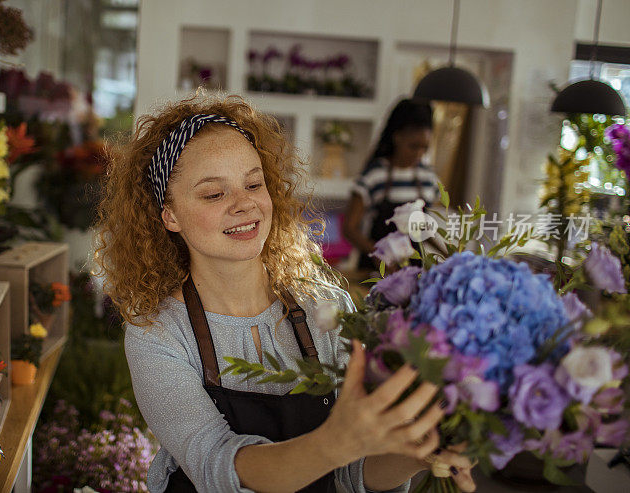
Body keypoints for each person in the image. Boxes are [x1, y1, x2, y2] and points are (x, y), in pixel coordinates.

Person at [94, 93, 475, 492]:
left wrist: (419, 451)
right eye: (213, 193)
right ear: (169, 215)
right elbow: (215, 468)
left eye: (253, 183)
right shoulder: (158, 335)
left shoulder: (327, 309)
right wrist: (335, 443)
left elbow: (351, 474)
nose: (245, 204)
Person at [343, 99, 440, 272]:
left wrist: (449, 256)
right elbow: (349, 228)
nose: (419, 154)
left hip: (412, 270)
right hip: (376, 269)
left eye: (424, 148)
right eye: (413, 146)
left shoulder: (428, 178)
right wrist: (379, 254)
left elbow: (426, 229)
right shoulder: (375, 175)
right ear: (397, 137)